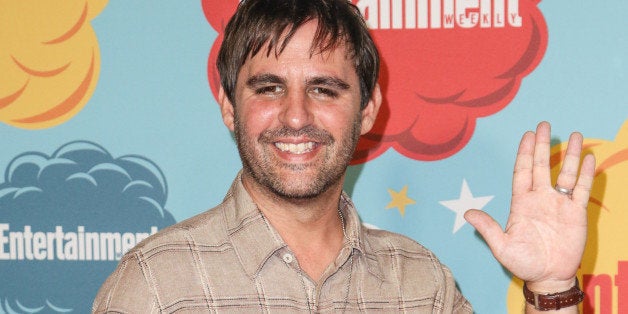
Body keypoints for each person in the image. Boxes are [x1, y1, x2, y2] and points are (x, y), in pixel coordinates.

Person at [92, 0, 596, 312]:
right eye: (268, 88)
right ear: (229, 106)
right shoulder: (156, 286)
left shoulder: (420, 285)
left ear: (369, 108)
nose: (295, 116)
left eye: (325, 90)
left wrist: (552, 286)